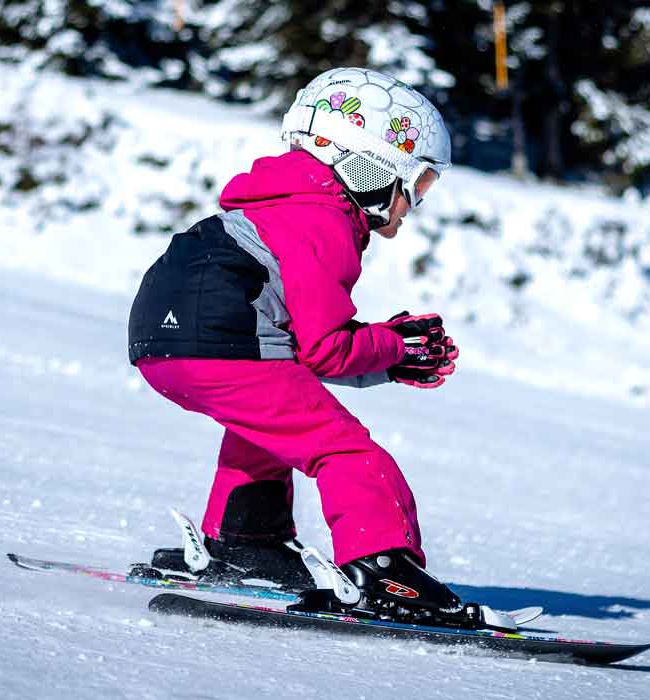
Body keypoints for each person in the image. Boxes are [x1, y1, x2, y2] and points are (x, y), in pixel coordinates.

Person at [127, 67, 463, 617]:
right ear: (372, 165)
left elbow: (300, 351)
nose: (411, 206)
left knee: (270, 422)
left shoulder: (277, 205)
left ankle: (247, 542)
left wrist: (384, 355)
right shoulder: (323, 218)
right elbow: (325, 348)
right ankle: (384, 571)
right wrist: (396, 348)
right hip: (220, 342)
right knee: (345, 449)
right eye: (418, 185)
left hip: (162, 344)